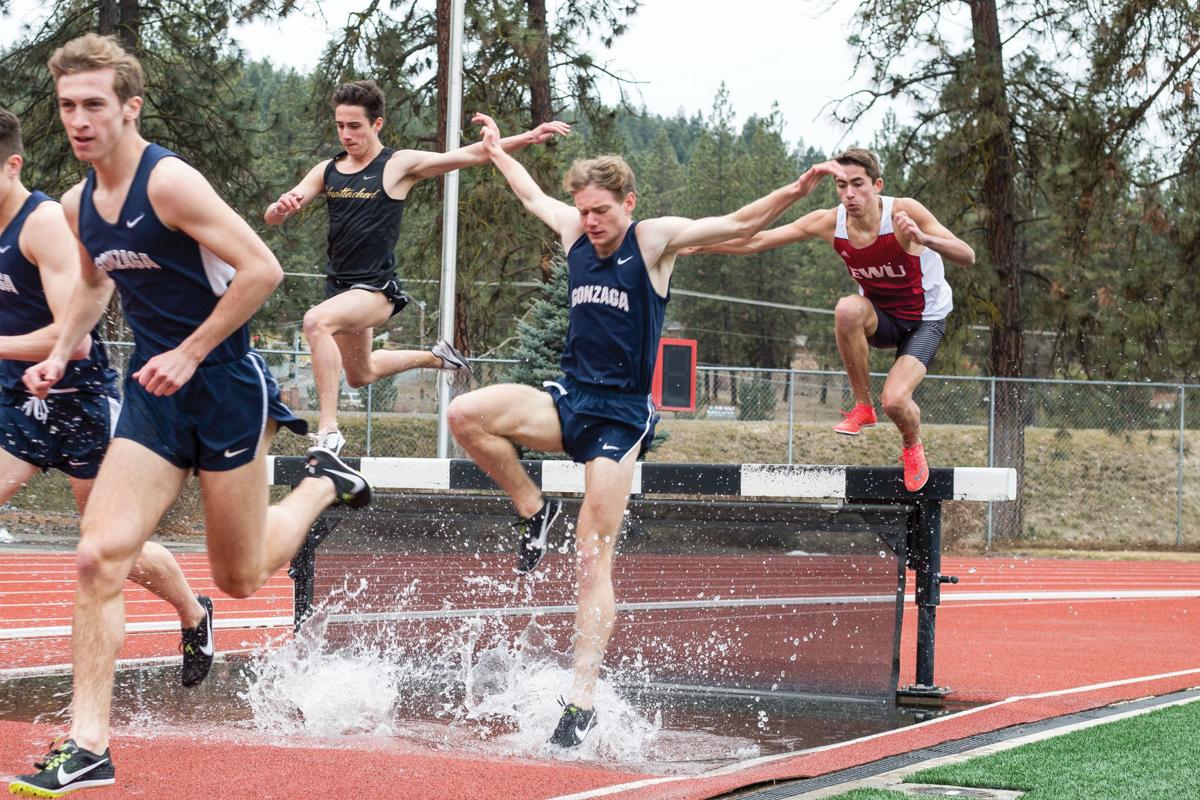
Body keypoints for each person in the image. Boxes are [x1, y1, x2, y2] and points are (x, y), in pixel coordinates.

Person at [8, 34, 371, 798]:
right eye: (68, 105)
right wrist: (61, 349)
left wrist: (193, 352)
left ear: (129, 107)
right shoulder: (78, 204)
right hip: (152, 395)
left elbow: (262, 270)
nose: (79, 120)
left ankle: (323, 482)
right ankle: (90, 745)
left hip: (225, 387)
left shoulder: (168, 182)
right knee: (97, 554)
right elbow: (96, 288)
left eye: (94, 105)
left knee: (239, 577)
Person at [447, 113, 844, 748]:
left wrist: (794, 193)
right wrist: (496, 151)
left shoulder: (653, 242)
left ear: (628, 204)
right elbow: (528, 194)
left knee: (589, 554)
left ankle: (580, 698)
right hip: (570, 398)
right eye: (584, 210)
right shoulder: (575, 230)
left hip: (622, 416)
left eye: (602, 211)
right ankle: (530, 505)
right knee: (466, 415)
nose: (591, 221)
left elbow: (737, 225)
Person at [0, 106, 218, 695]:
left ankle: (194, 611)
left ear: (13, 165)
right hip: (15, 397)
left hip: (77, 398)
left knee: (110, 543)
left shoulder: (41, 223)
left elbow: (73, 339)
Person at [265, 80, 570, 455]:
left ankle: (328, 430)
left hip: (375, 290)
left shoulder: (397, 165)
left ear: (377, 124)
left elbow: (469, 155)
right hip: (340, 290)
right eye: (340, 126)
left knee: (315, 322)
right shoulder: (327, 170)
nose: (346, 134)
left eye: (355, 126)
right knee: (360, 375)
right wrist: (281, 207)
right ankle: (437, 356)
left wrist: (528, 136)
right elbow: (273, 218)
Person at [685, 148, 975, 491]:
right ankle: (862, 407)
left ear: (877, 185)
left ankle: (912, 444)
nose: (849, 194)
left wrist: (924, 239)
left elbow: (967, 255)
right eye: (841, 185)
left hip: (924, 320)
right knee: (847, 308)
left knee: (896, 400)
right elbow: (757, 240)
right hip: (881, 318)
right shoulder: (830, 222)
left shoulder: (903, 212)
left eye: (858, 184)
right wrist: (694, 245)